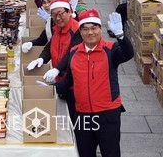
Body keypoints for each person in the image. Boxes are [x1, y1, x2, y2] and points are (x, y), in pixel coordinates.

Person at [55, 9, 133, 157]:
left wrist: (121, 36)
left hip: (107, 113)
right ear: (80, 32)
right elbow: (69, 80)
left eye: (93, 28)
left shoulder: (110, 49)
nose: (90, 33)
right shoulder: (74, 52)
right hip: (82, 114)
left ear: (100, 29)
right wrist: (48, 89)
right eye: (85, 29)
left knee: (110, 153)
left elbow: (128, 54)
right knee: (84, 153)